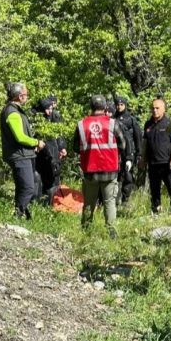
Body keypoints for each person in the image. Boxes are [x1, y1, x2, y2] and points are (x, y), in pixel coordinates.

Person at [72, 95, 130, 239]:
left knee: (89, 203)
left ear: (91, 107)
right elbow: (123, 144)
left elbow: (75, 147)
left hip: (90, 171)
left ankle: (86, 233)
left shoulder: (81, 124)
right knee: (110, 202)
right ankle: (111, 233)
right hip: (109, 170)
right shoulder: (112, 123)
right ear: (105, 107)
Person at [0, 82, 44, 219]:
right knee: (28, 188)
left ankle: (22, 215)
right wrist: (36, 142)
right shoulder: (12, 112)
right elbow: (19, 137)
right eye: (25, 94)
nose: (27, 96)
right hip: (19, 156)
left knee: (22, 187)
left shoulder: (16, 110)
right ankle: (17, 216)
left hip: (24, 154)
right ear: (19, 96)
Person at [31, 98, 67, 205]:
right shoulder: (35, 117)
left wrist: (62, 147)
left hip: (53, 153)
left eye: (51, 108)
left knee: (53, 179)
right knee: (37, 179)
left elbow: (59, 134)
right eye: (47, 109)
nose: (49, 111)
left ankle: (50, 204)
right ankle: (36, 204)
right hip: (39, 155)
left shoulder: (55, 116)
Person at [141, 98, 171, 214]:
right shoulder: (148, 124)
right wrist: (142, 158)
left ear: (163, 109)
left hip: (166, 163)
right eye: (152, 108)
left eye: (157, 108)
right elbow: (145, 143)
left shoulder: (169, 124)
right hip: (152, 163)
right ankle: (156, 211)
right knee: (154, 190)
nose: (154, 110)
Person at [114, 96, 142, 204]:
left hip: (129, 152)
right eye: (118, 105)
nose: (119, 106)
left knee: (128, 176)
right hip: (116, 152)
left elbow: (137, 137)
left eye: (121, 105)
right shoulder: (113, 119)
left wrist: (138, 153)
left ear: (125, 105)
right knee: (116, 176)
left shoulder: (131, 119)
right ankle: (115, 199)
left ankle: (126, 199)